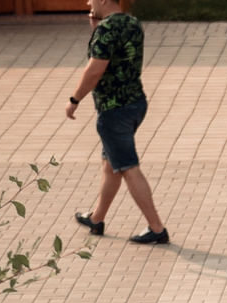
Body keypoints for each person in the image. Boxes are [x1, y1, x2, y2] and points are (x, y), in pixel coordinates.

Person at [65, 0, 166, 245]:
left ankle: (157, 228)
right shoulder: (132, 22)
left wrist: (74, 99)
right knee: (110, 165)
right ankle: (96, 219)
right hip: (135, 103)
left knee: (128, 167)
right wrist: (96, 27)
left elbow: (94, 71)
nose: (88, 2)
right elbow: (118, 52)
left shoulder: (105, 30)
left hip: (113, 111)